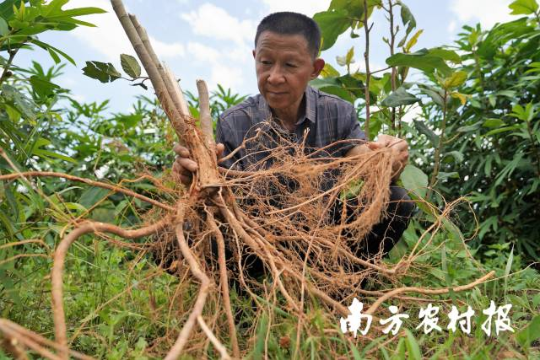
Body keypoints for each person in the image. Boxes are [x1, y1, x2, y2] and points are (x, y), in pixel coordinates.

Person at [173, 11, 414, 263]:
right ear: (255, 59)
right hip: (260, 236)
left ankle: (345, 285)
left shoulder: (338, 111)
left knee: (397, 200)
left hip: (324, 230)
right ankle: (248, 291)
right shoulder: (234, 122)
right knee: (183, 238)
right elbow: (219, 198)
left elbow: (358, 157)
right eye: (266, 63)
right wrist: (194, 176)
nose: (275, 77)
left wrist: (385, 157)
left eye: (290, 65)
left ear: (315, 69)